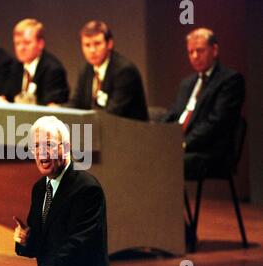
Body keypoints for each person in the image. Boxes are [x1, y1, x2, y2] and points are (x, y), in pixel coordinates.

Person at [11, 116, 114, 266]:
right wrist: (26, 241)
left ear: (66, 148)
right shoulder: (39, 189)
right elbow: (43, 244)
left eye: (48, 145)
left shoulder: (87, 189)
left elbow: (75, 248)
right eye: (36, 146)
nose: (41, 153)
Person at [162, 28, 245, 179]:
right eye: (190, 52)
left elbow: (217, 123)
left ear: (214, 50)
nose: (194, 56)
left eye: (200, 51)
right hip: (180, 145)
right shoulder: (187, 83)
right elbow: (174, 114)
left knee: (160, 161)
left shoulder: (230, 80)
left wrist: (183, 144)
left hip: (209, 152)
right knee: (145, 153)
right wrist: (156, 135)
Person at [69, 20, 148, 121]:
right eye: (87, 45)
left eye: (97, 44)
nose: (92, 50)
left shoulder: (125, 71)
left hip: (126, 132)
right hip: (97, 130)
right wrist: (57, 113)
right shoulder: (86, 69)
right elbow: (76, 103)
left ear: (109, 44)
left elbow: (113, 113)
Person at [0, 19, 69, 105]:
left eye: (26, 43)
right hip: (15, 118)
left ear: (40, 44)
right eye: (17, 43)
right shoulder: (13, 67)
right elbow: (7, 98)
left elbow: (51, 109)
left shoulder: (53, 70)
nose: (21, 48)